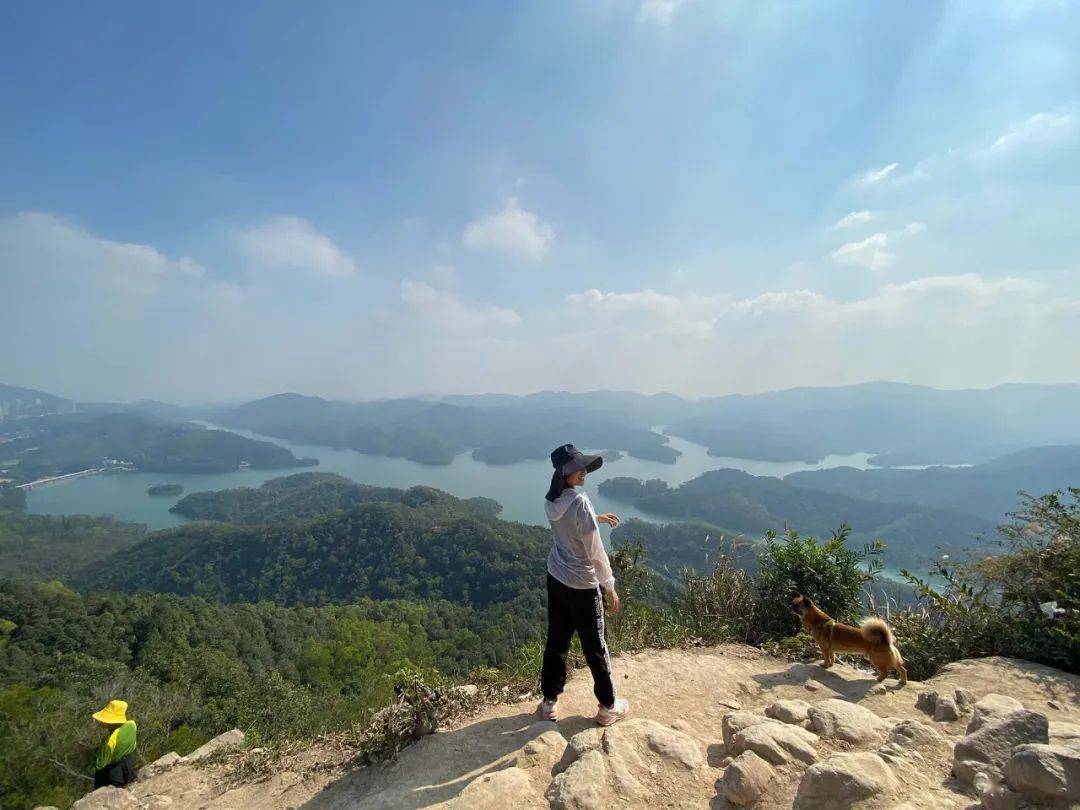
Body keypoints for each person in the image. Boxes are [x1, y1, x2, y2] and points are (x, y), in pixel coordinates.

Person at [537, 443, 630, 726]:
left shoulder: (551, 500)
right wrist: (609, 585)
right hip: (582, 586)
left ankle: (550, 702)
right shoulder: (580, 503)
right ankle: (608, 706)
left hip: (557, 578)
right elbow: (595, 549)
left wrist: (595, 518)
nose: (583, 472)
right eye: (577, 469)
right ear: (565, 472)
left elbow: (569, 527)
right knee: (595, 646)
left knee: (557, 639)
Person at [91, 699, 138, 788]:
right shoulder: (132, 725)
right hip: (129, 766)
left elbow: (100, 765)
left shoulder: (110, 741)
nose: (101, 722)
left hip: (114, 775)